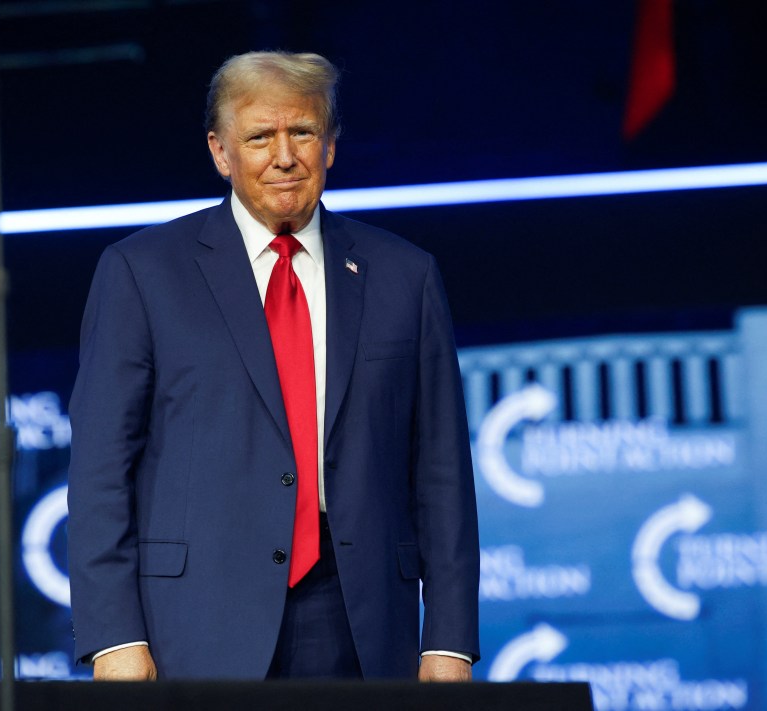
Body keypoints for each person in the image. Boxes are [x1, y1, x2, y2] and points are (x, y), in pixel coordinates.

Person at [67, 50, 479, 681]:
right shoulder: (143, 273)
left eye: (303, 133)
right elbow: (100, 467)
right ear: (220, 152)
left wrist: (447, 641)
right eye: (259, 137)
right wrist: (113, 636)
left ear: (331, 146)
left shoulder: (405, 275)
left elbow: (442, 473)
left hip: (359, 621)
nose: (284, 156)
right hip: (193, 620)